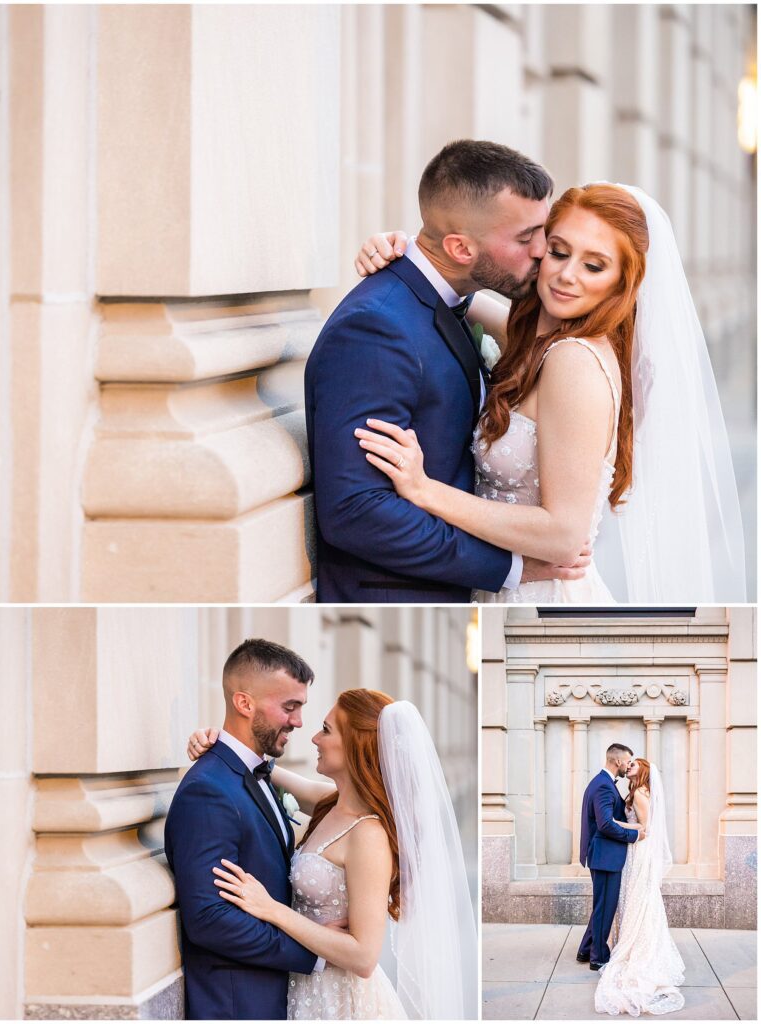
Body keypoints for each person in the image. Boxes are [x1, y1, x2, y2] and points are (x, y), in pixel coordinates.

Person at [352, 178, 746, 603]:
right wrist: (402, 248)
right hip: (503, 588)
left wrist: (426, 490)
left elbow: (563, 535)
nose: (566, 275)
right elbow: (448, 296)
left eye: (594, 266)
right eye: (559, 252)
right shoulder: (536, 341)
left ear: (621, 283)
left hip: (540, 596)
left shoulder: (573, 361)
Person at [304, 140, 592, 603]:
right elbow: (356, 511)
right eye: (524, 238)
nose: (544, 252)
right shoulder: (375, 328)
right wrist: (510, 568)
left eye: (544, 230)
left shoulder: (456, 304)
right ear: (460, 247)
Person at [188, 690, 476, 1019]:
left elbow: (365, 957)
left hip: (340, 1002)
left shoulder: (368, 835)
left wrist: (272, 910)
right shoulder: (329, 803)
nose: (314, 738)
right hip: (303, 987)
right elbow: (260, 768)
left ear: (355, 745)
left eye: (326, 730)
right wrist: (215, 741)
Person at [164, 639, 321, 1020]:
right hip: (239, 1002)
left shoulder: (255, 773)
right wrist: (313, 951)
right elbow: (209, 919)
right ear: (244, 703)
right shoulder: (208, 790)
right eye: (290, 707)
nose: (299, 721)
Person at [594, 758, 685, 1016]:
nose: (630, 765)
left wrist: (616, 823)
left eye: (634, 764)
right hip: (633, 850)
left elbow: (646, 829)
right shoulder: (633, 792)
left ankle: (638, 947)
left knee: (640, 898)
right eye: (629, 762)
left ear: (643, 771)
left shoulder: (642, 794)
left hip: (640, 850)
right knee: (633, 898)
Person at [577, 745, 644, 971]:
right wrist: (634, 835)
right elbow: (605, 825)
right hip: (605, 855)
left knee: (601, 905)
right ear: (617, 762)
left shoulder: (600, 782)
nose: (628, 765)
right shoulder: (604, 786)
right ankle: (598, 957)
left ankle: (586, 949)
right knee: (605, 907)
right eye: (627, 761)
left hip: (602, 854)